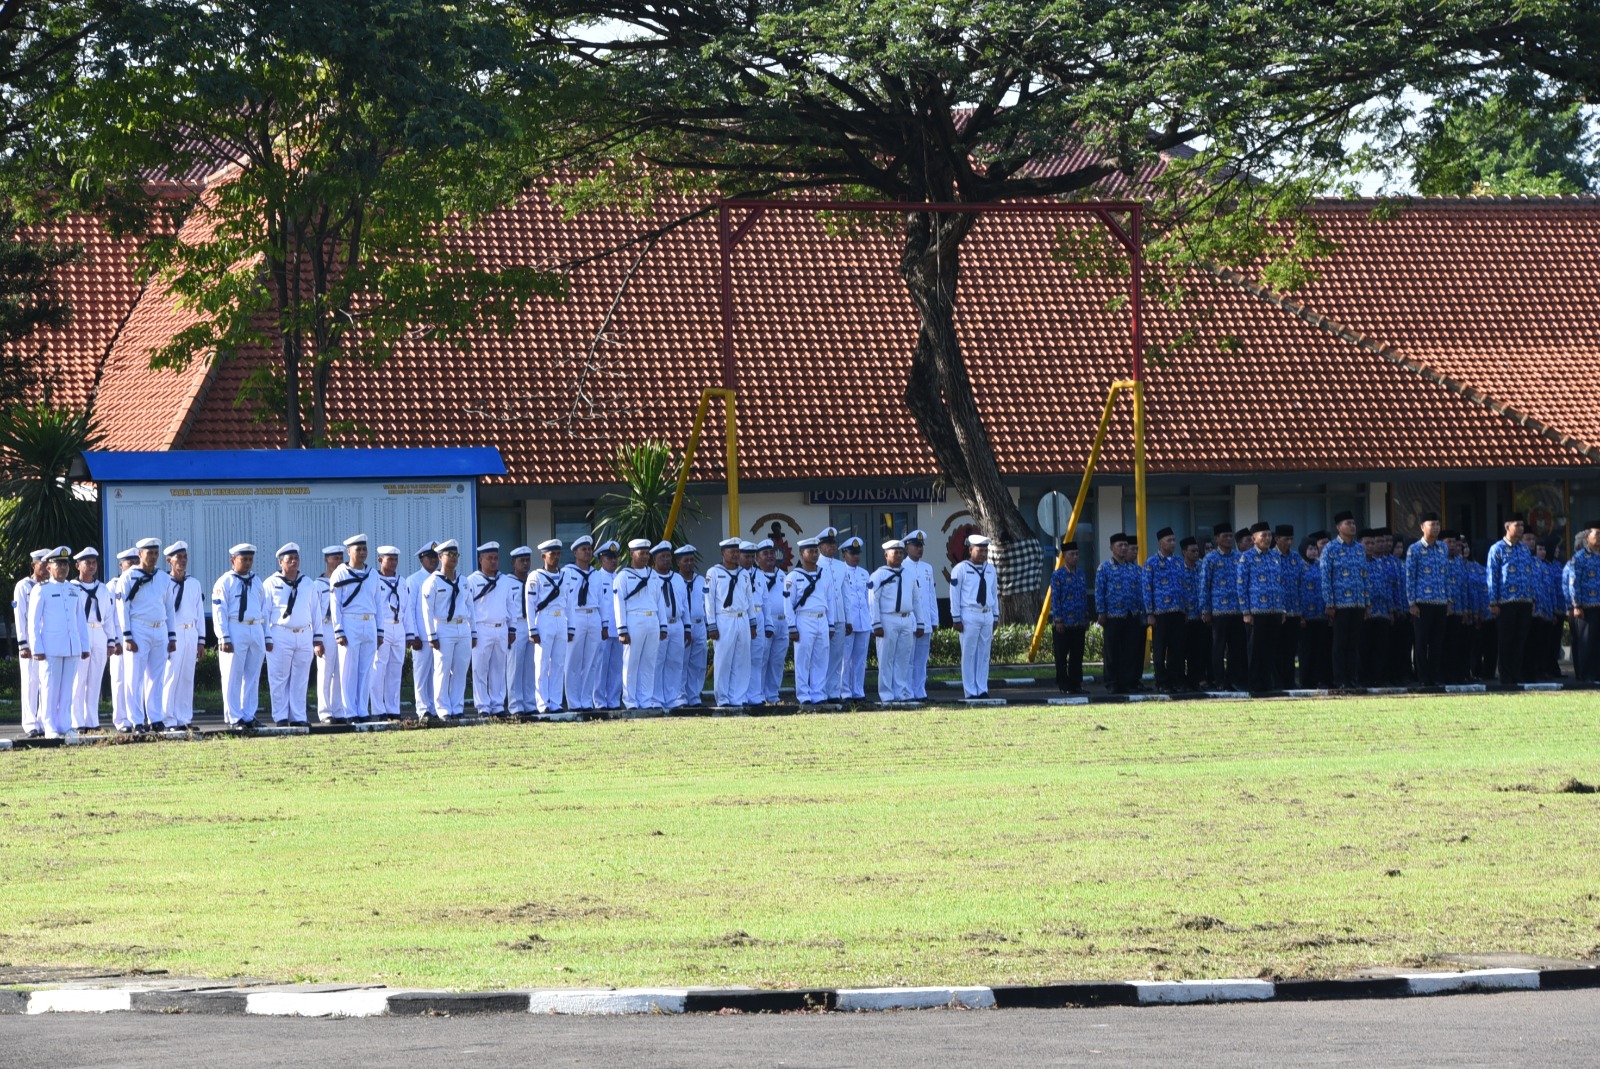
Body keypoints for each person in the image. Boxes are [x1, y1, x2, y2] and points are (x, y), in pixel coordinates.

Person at [27, 548, 89, 739]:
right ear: (48, 567)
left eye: (65, 564)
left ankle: (65, 725)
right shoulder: (41, 590)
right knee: (49, 688)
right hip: (50, 647)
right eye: (58, 564)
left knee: (67, 688)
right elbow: (33, 622)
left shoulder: (73, 589)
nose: (62, 568)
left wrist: (84, 645)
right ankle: (49, 726)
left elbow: (80, 620)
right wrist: (36, 647)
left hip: (71, 646)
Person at [119, 537, 178, 730]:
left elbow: (169, 608)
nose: (153, 556)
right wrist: (127, 635)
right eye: (148, 552)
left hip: (159, 628)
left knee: (156, 677)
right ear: (139, 554)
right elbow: (123, 608)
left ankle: (155, 718)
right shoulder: (128, 576)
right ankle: (136, 720)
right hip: (138, 628)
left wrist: (171, 636)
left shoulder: (163, 578)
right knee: (134, 678)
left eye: (155, 553)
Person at [262, 543, 322, 726]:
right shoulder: (271, 583)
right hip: (280, 633)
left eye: (296, 558)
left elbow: (316, 611)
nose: (294, 562)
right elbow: (264, 613)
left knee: (300, 679)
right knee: (279, 678)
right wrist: (266, 637)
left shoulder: (307, 583)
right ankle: (280, 717)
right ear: (281, 562)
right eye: (290, 559)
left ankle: (298, 717)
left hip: (304, 634)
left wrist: (317, 638)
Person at [212, 543, 268, 731]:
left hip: (255, 627)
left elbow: (264, 608)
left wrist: (266, 636)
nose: (248, 563)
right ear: (233, 560)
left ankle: (248, 714)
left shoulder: (257, 581)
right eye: (244, 559)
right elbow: (220, 610)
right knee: (232, 674)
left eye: (250, 559)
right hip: (236, 627)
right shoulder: (225, 582)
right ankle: (234, 716)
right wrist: (223, 637)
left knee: (252, 676)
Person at [420, 540, 475, 718]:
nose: (453, 558)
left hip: (462, 627)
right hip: (443, 627)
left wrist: (473, 631)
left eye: (455, 555)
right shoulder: (432, 582)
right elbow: (427, 611)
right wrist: (431, 635)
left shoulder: (464, 581)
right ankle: (442, 708)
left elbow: (470, 608)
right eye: (449, 555)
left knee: (461, 669)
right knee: (442, 670)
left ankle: (457, 707)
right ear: (440, 557)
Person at [330, 534, 380, 722]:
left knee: (366, 670)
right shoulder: (340, 573)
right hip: (350, 622)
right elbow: (335, 604)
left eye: (364, 549)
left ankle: (362, 710)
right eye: (358, 549)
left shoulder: (372, 574)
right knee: (349, 670)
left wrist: (379, 630)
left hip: (369, 622)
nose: (362, 553)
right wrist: (338, 630)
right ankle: (349, 711)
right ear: (348, 551)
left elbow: (379, 604)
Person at [615, 537, 668, 709]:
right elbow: (619, 603)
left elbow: (659, 600)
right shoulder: (623, 576)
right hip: (633, 619)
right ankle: (630, 701)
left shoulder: (653, 575)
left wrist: (662, 624)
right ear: (632, 554)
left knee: (649, 662)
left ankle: (646, 699)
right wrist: (622, 629)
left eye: (647, 553)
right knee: (631, 663)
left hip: (652, 618)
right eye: (641, 553)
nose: (645, 556)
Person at [1486, 514, 1539, 686]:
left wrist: (1533, 599)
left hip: (1524, 601)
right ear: (1507, 527)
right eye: (1518, 525)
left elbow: (1530, 574)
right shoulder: (1497, 549)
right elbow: (1492, 577)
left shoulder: (1524, 549)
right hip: (1506, 602)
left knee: (1520, 640)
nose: (1521, 528)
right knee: (1506, 640)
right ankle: (1506, 675)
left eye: (1523, 525)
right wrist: (1493, 602)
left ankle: (1517, 674)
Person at [1319, 511, 1369, 692]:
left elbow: (1365, 576)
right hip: (1339, 604)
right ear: (1339, 527)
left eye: (1354, 523)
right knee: (1340, 644)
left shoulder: (1359, 548)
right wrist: (1329, 603)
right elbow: (1326, 578)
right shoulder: (1330, 549)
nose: (1352, 526)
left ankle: (1353, 678)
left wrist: (1366, 602)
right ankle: (1340, 679)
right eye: (1348, 523)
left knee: (1354, 644)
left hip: (1357, 603)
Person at [869, 538, 923, 701]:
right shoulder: (879, 575)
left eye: (901, 552)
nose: (899, 556)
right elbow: (873, 600)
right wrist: (876, 623)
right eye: (895, 552)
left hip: (906, 619)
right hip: (888, 618)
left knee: (903, 658)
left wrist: (920, 622)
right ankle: (886, 694)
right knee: (886, 659)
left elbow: (916, 599)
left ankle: (901, 692)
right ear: (886, 554)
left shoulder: (909, 574)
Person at [465, 542, 515, 717]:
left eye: (495, 558)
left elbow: (511, 605)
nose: (493, 561)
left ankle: (498, 704)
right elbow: (468, 608)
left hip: (501, 627)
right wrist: (471, 632)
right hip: (482, 627)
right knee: (480, 669)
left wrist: (512, 629)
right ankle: (483, 706)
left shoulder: (505, 580)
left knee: (499, 668)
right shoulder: (472, 580)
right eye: (489, 558)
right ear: (480, 560)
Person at [70, 548, 115, 733]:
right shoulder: (72, 588)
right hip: (82, 632)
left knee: (95, 679)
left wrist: (111, 640)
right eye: (87, 562)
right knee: (79, 679)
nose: (91, 565)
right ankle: (77, 721)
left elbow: (109, 616)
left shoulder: (103, 589)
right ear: (77, 565)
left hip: (99, 632)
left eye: (93, 562)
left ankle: (92, 720)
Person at [1404, 512, 1452, 686]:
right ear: (1422, 527)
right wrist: (1412, 603)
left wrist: (1448, 600)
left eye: (1438, 524)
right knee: (1421, 642)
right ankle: (1423, 678)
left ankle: (1434, 676)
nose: (1436, 528)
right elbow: (1410, 576)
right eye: (1432, 524)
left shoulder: (1442, 548)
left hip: (1440, 602)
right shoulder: (1414, 549)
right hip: (1422, 603)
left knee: (1437, 643)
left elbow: (1446, 575)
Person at [706, 537, 754, 706]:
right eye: (731, 551)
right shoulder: (714, 572)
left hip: (742, 618)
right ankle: (723, 698)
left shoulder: (744, 573)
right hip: (724, 619)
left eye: (737, 551)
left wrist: (752, 623)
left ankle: (738, 697)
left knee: (742, 660)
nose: (735, 554)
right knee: (724, 660)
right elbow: (709, 601)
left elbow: (750, 599)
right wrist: (711, 624)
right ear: (722, 553)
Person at [162, 541, 205, 729]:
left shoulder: (193, 583)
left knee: (187, 677)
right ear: (169, 560)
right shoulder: (164, 583)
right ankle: (168, 719)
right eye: (178, 557)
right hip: (174, 632)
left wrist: (201, 640)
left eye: (185, 556)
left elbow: (200, 612)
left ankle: (184, 718)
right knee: (171, 676)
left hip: (191, 631)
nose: (183, 560)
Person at [950, 533, 999, 698]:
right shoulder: (961, 569)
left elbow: (994, 593)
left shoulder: (990, 569)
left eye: (986, 551)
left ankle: (982, 688)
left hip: (986, 614)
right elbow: (954, 595)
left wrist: (996, 615)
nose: (984, 554)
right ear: (970, 549)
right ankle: (970, 691)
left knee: (984, 654)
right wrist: (956, 618)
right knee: (969, 654)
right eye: (980, 550)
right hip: (969, 613)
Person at [1238, 521, 1285, 693]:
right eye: (1263, 535)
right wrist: (1246, 611)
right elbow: (1241, 585)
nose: (1267, 538)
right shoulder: (1247, 557)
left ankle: (1268, 683)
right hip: (1256, 611)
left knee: (1271, 649)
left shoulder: (1275, 556)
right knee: (1255, 649)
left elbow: (1281, 584)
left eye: (1269, 535)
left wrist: (1283, 609)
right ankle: (1255, 684)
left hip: (1274, 610)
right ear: (1254, 538)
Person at [786, 537, 832, 705]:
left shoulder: (824, 574)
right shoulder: (793, 576)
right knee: (803, 660)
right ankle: (804, 695)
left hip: (822, 619)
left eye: (815, 551)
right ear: (801, 553)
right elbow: (788, 604)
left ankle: (818, 694)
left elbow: (830, 600)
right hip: (804, 619)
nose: (814, 554)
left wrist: (831, 623)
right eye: (810, 551)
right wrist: (792, 626)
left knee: (821, 658)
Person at [1198, 524, 1245, 690]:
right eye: (1224, 536)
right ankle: (1219, 680)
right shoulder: (1210, 559)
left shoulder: (1239, 558)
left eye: (1230, 536)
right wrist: (1206, 610)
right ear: (1217, 539)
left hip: (1238, 610)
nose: (1228, 539)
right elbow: (1205, 586)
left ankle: (1233, 679)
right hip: (1219, 610)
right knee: (1218, 647)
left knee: (1236, 648)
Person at [527, 539, 571, 716]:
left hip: (561, 620)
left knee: (559, 663)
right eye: (552, 554)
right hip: (544, 620)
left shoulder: (565, 575)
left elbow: (569, 603)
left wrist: (571, 626)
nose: (556, 557)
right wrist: (532, 629)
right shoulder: (536, 576)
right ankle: (542, 702)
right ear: (543, 555)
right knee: (542, 663)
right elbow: (530, 604)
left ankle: (556, 701)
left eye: (558, 553)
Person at [1095, 533, 1143, 693]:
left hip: (1131, 613)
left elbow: (1139, 591)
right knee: (1112, 650)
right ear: (1111, 548)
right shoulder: (1105, 568)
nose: (1123, 548)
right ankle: (1112, 682)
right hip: (1113, 614)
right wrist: (1101, 612)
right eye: (1119, 545)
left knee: (1130, 650)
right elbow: (1099, 591)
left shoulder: (1134, 569)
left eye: (1125, 545)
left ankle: (1127, 681)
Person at [1142, 526, 1189, 693]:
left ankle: (1176, 680)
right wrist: (1150, 613)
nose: (1173, 543)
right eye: (1169, 540)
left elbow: (1184, 586)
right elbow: (1147, 589)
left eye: (1174, 540)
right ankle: (1162, 682)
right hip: (1160, 613)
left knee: (1177, 649)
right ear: (1160, 542)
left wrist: (1186, 608)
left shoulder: (1178, 562)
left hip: (1178, 611)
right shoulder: (1151, 563)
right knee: (1160, 649)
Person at [371, 546, 412, 721]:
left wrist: (410, 633)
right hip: (382, 626)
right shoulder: (373, 579)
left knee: (395, 669)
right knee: (379, 669)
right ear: (380, 560)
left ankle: (393, 708)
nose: (394, 562)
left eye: (396, 559)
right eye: (390, 559)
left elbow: (407, 608)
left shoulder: (402, 582)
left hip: (398, 626)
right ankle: (378, 709)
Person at [561, 537, 602, 713]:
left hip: (593, 615)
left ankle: (586, 700)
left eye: (589, 549)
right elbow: (564, 599)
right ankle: (573, 701)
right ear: (575, 552)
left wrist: (604, 623)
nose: (587, 552)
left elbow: (602, 600)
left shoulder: (596, 574)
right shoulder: (567, 572)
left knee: (591, 661)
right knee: (573, 661)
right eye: (583, 549)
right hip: (576, 615)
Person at [12, 548, 49, 735]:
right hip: (30, 641)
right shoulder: (24, 586)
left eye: (47, 564)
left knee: (47, 683)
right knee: (30, 682)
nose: (45, 567)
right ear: (33, 565)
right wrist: (22, 644)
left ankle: (43, 721)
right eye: (41, 564)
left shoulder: (52, 585)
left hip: (48, 640)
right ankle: (30, 723)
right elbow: (20, 616)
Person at [651, 540, 689, 711]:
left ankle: (673, 698)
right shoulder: (650, 578)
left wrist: (687, 627)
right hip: (660, 625)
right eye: (662, 557)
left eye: (668, 556)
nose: (666, 560)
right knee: (658, 662)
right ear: (654, 560)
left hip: (677, 624)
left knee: (675, 662)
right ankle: (656, 698)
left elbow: (685, 605)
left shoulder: (678, 578)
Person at [1049, 540, 1088, 694]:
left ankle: (1076, 684)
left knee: (1077, 656)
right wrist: (1058, 619)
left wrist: (1086, 616)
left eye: (1077, 554)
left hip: (1078, 621)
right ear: (1064, 556)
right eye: (1072, 554)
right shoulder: (1058, 575)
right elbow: (1055, 599)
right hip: (1063, 622)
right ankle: (1063, 685)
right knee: (1061, 656)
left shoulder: (1081, 574)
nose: (1075, 557)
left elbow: (1084, 596)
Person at [407, 542, 440, 720]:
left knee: (437, 673)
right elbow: (410, 609)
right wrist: (413, 635)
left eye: (436, 557)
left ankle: (435, 707)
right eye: (430, 557)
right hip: (421, 633)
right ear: (421, 559)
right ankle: (422, 708)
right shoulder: (413, 580)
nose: (434, 560)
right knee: (421, 674)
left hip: (440, 634)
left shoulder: (443, 578)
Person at [903, 530, 938, 699]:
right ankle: (908, 691)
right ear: (907, 547)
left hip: (926, 620)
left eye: (921, 546)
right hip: (910, 620)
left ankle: (920, 691)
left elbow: (931, 595)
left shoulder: (927, 568)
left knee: (922, 660)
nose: (919, 549)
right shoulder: (902, 567)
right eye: (915, 546)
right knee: (908, 660)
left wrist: (934, 619)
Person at [835, 537, 871, 701]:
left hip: (863, 620)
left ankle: (858, 691)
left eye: (858, 553)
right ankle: (845, 691)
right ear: (844, 554)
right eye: (852, 553)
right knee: (845, 658)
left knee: (860, 659)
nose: (856, 557)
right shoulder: (839, 571)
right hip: (848, 621)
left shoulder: (864, 573)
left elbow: (867, 598)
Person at [815, 528, 849, 701]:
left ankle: (833, 691)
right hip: (822, 617)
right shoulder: (815, 565)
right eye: (828, 544)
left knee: (836, 657)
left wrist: (848, 619)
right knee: (821, 657)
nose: (832, 547)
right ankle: (819, 692)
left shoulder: (841, 566)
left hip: (840, 617)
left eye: (833, 544)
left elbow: (846, 594)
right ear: (820, 546)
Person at [1564, 523, 1600, 682]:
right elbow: (1573, 583)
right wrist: (1576, 605)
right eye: (1597, 534)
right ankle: (1586, 674)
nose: (1599, 538)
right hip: (1586, 606)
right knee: (1587, 641)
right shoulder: (1578, 558)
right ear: (1587, 538)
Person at [754, 540, 789, 702]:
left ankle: (773, 694)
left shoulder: (783, 575)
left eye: (771, 553)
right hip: (765, 621)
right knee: (762, 659)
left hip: (783, 622)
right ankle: (758, 693)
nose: (769, 556)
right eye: (765, 554)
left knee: (777, 661)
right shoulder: (755, 576)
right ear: (757, 559)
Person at [314, 546, 346, 723]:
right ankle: (325, 711)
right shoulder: (318, 584)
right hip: (325, 627)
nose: (339, 561)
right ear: (326, 559)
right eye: (335, 558)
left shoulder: (345, 581)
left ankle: (338, 710)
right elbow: (314, 612)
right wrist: (316, 639)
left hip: (341, 628)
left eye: (341, 558)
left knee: (341, 671)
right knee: (325, 672)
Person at [107, 547, 136, 732]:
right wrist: (114, 640)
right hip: (119, 638)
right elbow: (109, 617)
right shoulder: (112, 585)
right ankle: (121, 720)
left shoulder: (141, 581)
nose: (133, 566)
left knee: (137, 680)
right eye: (129, 563)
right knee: (119, 680)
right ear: (121, 565)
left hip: (138, 637)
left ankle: (136, 718)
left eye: (135, 562)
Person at [677, 545, 710, 706]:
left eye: (692, 560)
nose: (689, 563)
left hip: (699, 624)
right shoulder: (675, 581)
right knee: (682, 662)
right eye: (686, 560)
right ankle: (681, 695)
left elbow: (706, 604)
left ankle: (694, 695)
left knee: (698, 663)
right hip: (684, 625)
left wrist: (708, 625)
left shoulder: (700, 580)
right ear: (679, 563)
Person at [1297, 534, 1330, 688]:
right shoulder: (1299, 566)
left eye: (1315, 549)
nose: (1313, 552)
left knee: (1320, 650)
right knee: (1306, 651)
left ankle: (1318, 679)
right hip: (1306, 617)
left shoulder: (1321, 565)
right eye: (1310, 549)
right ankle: (1305, 681)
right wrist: (1301, 615)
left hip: (1321, 615)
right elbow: (1297, 590)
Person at [594, 540, 624, 708]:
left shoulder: (621, 578)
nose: (613, 561)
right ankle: (599, 702)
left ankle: (613, 700)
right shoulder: (597, 578)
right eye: (609, 557)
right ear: (601, 559)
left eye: (615, 557)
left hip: (619, 629)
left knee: (616, 668)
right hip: (603, 630)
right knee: (600, 667)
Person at [506, 546, 536, 715]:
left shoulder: (533, 580)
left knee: (530, 666)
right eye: (521, 561)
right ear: (513, 563)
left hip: (531, 623)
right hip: (516, 624)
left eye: (527, 560)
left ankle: (530, 703)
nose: (525, 564)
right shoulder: (507, 582)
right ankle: (515, 705)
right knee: (515, 666)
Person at [1274, 524, 1304, 687]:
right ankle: (1278, 682)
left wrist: (1301, 612)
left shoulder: (1295, 558)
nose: (1289, 542)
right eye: (1285, 539)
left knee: (1291, 650)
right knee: (1278, 649)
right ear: (1277, 539)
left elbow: (1300, 583)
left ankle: (1290, 681)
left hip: (1295, 610)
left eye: (1291, 539)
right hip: (1278, 611)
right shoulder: (1271, 557)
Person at [1181, 536, 1210, 689]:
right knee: (1184, 650)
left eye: (1197, 551)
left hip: (1200, 615)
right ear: (1184, 552)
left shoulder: (1202, 566)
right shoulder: (1178, 567)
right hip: (1185, 616)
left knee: (1199, 650)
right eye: (1192, 551)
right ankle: (1185, 680)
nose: (1196, 554)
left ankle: (1198, 678)